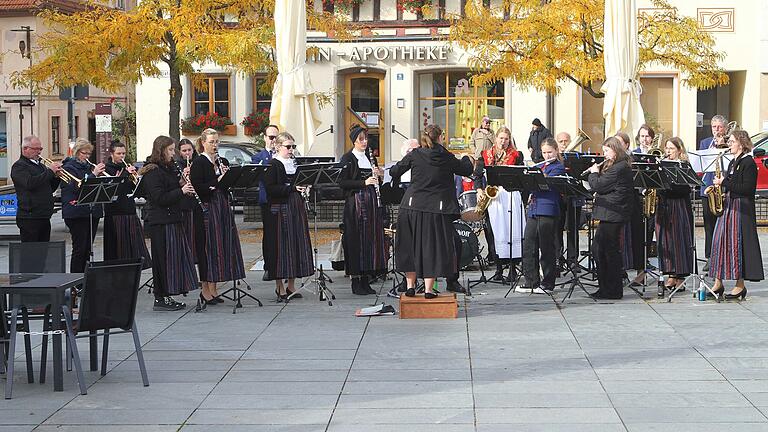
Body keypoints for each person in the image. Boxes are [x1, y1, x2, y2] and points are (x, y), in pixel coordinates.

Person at [389, 124, 473, 299]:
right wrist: (466, 157)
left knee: (409, 246)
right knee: (431, 248)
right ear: (440, 137)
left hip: (411, 206)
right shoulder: (445, 156)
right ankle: (428, 290)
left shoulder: (416, 154)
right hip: (435, 210)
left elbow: (395, 170)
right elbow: (466, 169)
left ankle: (410, 286)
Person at [139, 135, 198, 311]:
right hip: (160, 221)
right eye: (171, 150)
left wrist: (182, 182)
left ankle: (168, 294)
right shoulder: (152, 171)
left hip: (173, 218)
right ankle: (160, 297)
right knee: (162, 260)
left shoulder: (168, 167)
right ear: (162, 150)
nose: (174, 153)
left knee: (171, 259)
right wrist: (181, 190)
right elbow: (159, 198)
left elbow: (170, 188)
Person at [189, 128, 246, 305]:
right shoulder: (199, 163)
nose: (215, 145)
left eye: (217, 142)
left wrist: (227, 178)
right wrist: (217, 180)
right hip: (206, 210)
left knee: (219, 248)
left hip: (221, 208)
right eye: (212, 142)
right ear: (203, 143)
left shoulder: (221, 161)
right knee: (208, 249)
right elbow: (198, 187)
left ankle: (214, 289)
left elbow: (224, 186)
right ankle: (205, 290)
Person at [709, 130, 764, 300]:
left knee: (737, 246)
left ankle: (740, 285)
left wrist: (724, 182)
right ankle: (718, 282)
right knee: (719, 243)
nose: (730, 144)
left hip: (741, 209)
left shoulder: (748, 162)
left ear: (741, 143)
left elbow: (747, 189)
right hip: (729, 207)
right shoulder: (733, 162)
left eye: (732, 141)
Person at [262, 132, 314, 300]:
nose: (291, 150)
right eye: (288, 146)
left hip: (296, 208)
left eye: (293, 146)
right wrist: (292, 188)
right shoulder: (273, 165)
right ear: (278, 147)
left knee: (296, 244)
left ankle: (291, 285)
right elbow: (270, 189)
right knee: (281, 247)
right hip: (280, 210)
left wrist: (305, 187)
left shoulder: (295, 164)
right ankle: (279, 286)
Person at [338, 125, 387, 295]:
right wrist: (363, 183)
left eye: (366, 139)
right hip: (356, 205)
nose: (365, 142)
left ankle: (366, 278)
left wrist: (378, 176)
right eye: (361, 139)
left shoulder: (368, 157)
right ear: (354, 141)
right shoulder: (348, 158)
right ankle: (356, 280)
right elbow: (342, 183)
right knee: (356, 241)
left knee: (369, 241)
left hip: (371, 203)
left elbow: (375, 182)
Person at [587, 137, 634, 300]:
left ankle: (612, 290)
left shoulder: (619, 168)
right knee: (600, 250)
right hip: (609, 213)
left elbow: (598, 185)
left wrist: (593, 174)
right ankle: (605, 287)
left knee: (608, 251)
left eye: (607, 150)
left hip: (613, 213)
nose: (604, 154)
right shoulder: (616, 166)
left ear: (615, 150)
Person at [477, 126, 525, 280]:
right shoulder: (485, 155)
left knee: (512, 231)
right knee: (494, 232)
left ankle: (512, 268)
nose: (503, 141)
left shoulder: (516, 155)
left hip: (510, 194)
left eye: (506, 139)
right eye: (501, 138)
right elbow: (477, 175)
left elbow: (521, 175)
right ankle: (498, 268)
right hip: (493, 196)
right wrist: (479, 190)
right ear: (495, 138)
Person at [522, 138, 566, 293]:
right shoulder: (540, 166)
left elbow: (546, 184)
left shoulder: (558, 167)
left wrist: (534, 176)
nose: (547, 155)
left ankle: (548, 282)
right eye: (544, 152)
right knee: (528, 244)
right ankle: (531, 281)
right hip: (534, 208)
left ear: (556, 151)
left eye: (550, 152)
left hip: (548, 209)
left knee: (546, 246)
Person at [102, 140, 152, 269]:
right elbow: (112, 190)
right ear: (112, 154)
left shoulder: (126, 167)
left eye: (123, 153)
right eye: (119, 153)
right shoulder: (106, 169)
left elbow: (135, 189)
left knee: (133, 248)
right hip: (115, 213)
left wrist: (136, 178)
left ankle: (133, 272)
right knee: (118, 249)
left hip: (129, 210)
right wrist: (125, 175)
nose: (122, 156)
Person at [655, 137, 694, 291]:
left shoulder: (684, 165)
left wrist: (666, 188)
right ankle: (670, 274)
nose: (668, 151)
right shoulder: (661, 166)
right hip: (664, 206)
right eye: (667, 148)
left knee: (678, 240)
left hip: (678, 206)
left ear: (679, 150)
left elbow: (685, 189)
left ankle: (680, 276)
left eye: (671, 148)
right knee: (665, 241)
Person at [61, 139, 105, 273]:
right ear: (76, 152)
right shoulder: (69, 168)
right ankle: (76, 281)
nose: (87, 156)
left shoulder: (88, 167)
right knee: (80, 248)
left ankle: (85, 279)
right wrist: (94, 175)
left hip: (90, 212)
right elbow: (77, 188)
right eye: (84, 153)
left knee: (88, 248)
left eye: (89, 153)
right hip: (76, 212)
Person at [11, 136, 62, 242]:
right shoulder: (19, 166)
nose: (39, 152)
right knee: (31, 253)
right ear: (25, 149)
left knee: (42, 253)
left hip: (43, 215)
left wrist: (56, 177)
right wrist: (50, 172)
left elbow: (49, 188)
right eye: (35, 149)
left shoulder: (41, 166)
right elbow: (29, 183)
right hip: (29, 217)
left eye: (40, 149)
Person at [614, 132, 645, 285]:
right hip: (617, 203)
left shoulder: (634, 160)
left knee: (635, 236)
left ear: (626, 145)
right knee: (619, 238)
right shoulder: (612, 160)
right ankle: (619, 270)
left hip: (633, 201)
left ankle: (640, 272)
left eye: (619, 143)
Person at [699, 115, 728, 273]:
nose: (716, 130)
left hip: (722, 189)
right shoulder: (705, 143)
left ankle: (722, 256)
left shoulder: (729, 143)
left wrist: (723, 146)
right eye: (714, 127)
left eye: (719, 127)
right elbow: (702, 165)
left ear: (724, 128)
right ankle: (709, 257)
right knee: (708, 225)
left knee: (722, 225)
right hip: (707, 188)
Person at [176, 138, 199, 259]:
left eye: (189, 150)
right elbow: (176, 184)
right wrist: (183, 176)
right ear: (179, 152)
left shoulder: (198, 162)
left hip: (196, 202)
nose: (187, 153)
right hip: (183, 203)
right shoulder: (177, 164)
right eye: (184, 150)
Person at [251, 124, 280, 217]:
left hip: (282, 197)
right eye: (271, 137)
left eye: (276, 137)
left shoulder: (284, 155)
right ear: (265, 138)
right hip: (267, 198)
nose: (274, 140)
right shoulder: (257, 157)